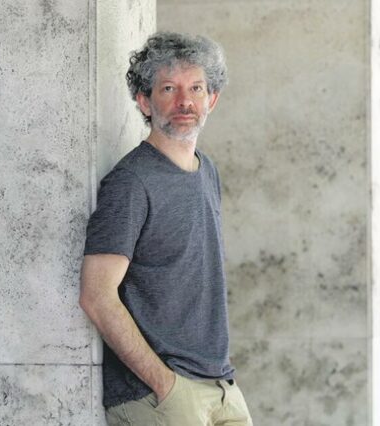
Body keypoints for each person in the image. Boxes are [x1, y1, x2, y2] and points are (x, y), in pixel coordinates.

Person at [79, 32, 253, 425]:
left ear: (212, 99)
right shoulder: (130, 183)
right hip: (161, 396)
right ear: (145, 101)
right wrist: (164, 385)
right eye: (169, 88)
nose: (184, 102)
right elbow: (96, 295)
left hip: (220, 386)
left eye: (196, 88)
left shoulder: (207, 171)